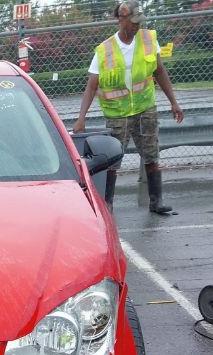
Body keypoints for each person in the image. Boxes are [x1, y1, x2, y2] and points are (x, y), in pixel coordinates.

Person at [74, 0, 184, 215]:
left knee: (152, 155)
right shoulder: (104, 50)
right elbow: (91, 86)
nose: (137, 26)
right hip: (118, 114)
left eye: (139, 22)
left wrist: (174, 102)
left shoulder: (148, 39)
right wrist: (81, 118)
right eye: (133, 22)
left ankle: (156, 201)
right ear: (121, 19)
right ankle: (108, 206)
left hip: (145, 109)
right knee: (113, 161)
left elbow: (159, 71)